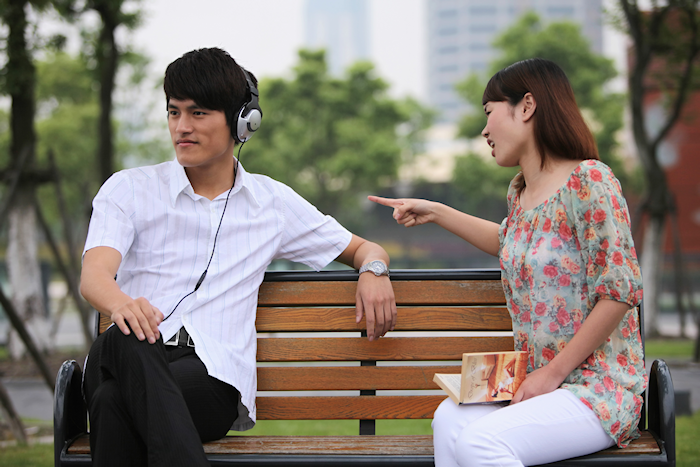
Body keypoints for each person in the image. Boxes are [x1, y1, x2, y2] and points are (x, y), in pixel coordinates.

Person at [79, 47, 397, 467]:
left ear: (242, 122)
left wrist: (374, 270)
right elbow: (94, 276)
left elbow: (363, 248)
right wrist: (123, 304)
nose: (181, 127)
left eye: (198, 114)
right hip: (126, 351)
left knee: (110, 402)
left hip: (211, 380)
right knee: (127, 339)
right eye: (174, 112)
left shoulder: (271, 203)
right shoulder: (130, 189)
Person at [369, 58, 645, 467]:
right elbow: (511, 241)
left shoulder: (590, 181)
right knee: (449, 419)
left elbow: (620, 291)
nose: (484, 130)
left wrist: (551, 375)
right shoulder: (521, 194)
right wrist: (437, 211)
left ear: (527, 107)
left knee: (480, 443)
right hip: (531, 382)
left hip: (596, 388)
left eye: (489, 112)